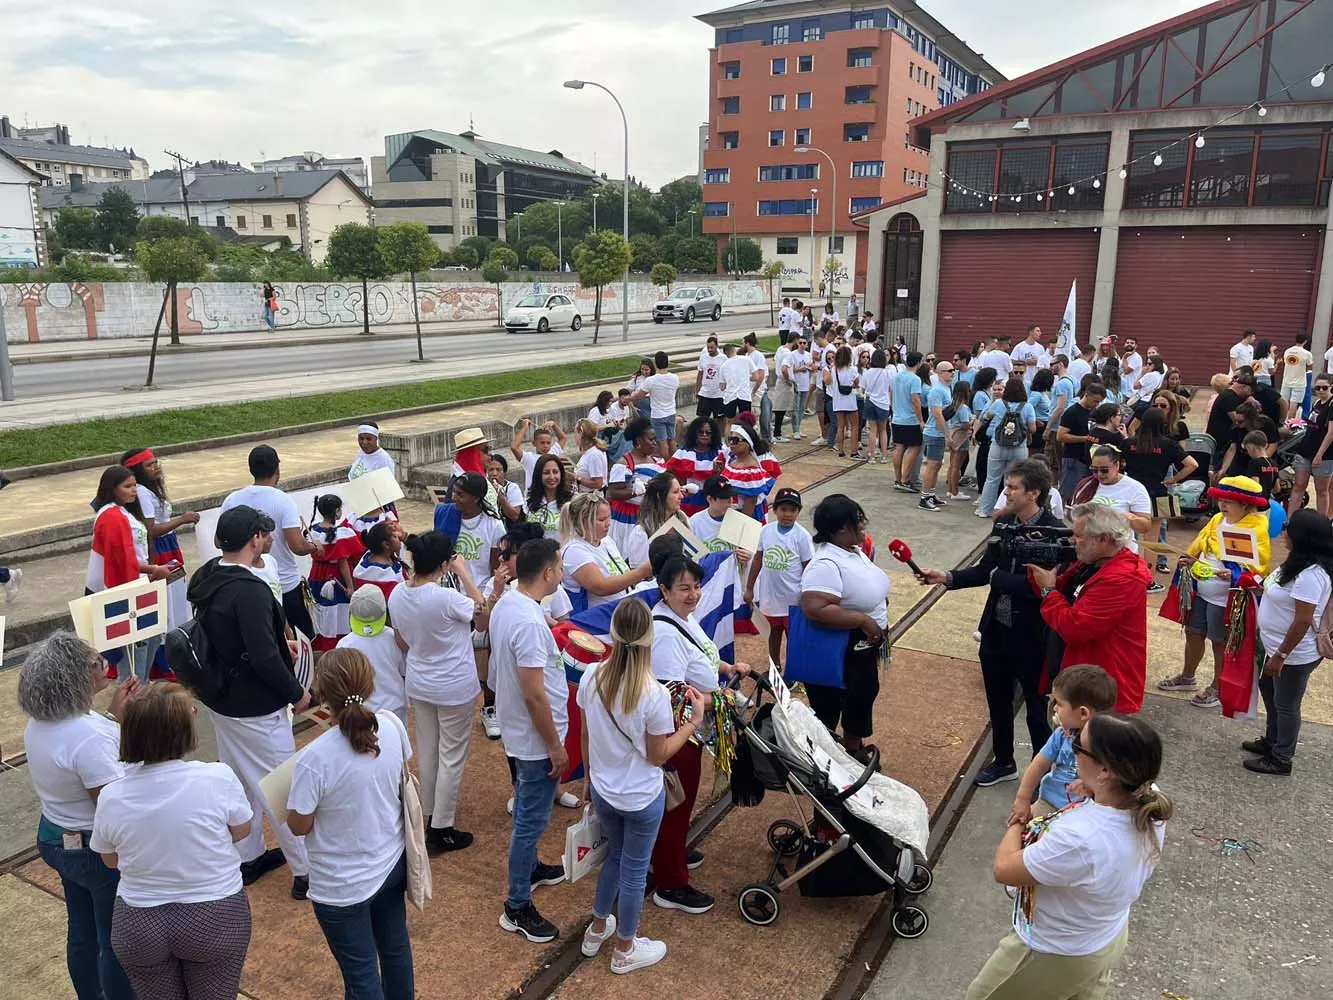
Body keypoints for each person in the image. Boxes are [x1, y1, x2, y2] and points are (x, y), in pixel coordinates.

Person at [966, 713, 1171, 1000]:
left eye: (1077, 745)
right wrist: (1093, 790)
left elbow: (1004, 868)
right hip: (1104, 936)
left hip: (1055, 951)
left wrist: (1018, 821)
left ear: (1105, 771)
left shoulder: (1080, 838)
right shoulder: (1148, 798)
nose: (1071, 747)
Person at [90, 683, 253, 1000]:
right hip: (214, 914)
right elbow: (242, 830)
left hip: (139, 921)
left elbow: (110, 860)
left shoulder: (112, 795)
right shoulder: (217, 777)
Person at [186, 505, 313, 897]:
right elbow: (261, 657)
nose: (267, 540)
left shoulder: (207, 577)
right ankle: (306, 872)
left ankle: (250, 856)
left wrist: (278, 643)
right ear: (253, 539)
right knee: (282, 787)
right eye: (263, 534)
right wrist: (298, 693)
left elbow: (240, 639)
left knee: (241, 780)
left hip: (222, 699)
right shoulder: (251, 589)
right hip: (257, 706)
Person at [577, 599, 703, 974]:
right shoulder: (654, 694)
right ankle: (625, 948)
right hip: (641, 797)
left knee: (615, 860)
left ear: (613, 634)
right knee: (633, 870)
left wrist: (588, 779)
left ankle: (598, 927)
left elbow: (585, 734)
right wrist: (692, 724)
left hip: (603, 788)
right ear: (649, 637)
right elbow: (658, 755)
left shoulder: (591, 676)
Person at [919, 460, 1062, 786]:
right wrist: (947, 577)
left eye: (1012, 487)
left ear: (1034, 493)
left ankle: (1044, 775)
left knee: (1038, 711)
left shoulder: (1056, 533)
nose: (1005, 492)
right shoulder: (1005, 523)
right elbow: (987, 571)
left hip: (1034, 635)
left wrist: (1005, 579)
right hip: (996, 629)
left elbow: (1046, 587)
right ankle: (1004, 761)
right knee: (997, 702)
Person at [287, 649, 415, 1000]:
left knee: (361, 977)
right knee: (395, 951)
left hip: (341, 885)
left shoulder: (315, 758)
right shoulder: (391, 725)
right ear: (369, 683)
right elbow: (400, 773)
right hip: (390, 862)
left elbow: (298, 826)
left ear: (323, 694)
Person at [20, 632, 136, 1000]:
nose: (104, 663)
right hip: (93, 849)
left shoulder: (41, 722)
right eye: (95, 661)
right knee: (115, 938)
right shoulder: (88, 736)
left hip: (56, 835)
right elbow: (112, 807)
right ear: (74, 676)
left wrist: (112, 717)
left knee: (82, 931)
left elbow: (76, 749)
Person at [650, 554, 752, 915]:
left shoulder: (683, 618)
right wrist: (719, 698)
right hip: (678, 732)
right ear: (664, 590)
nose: (693, 595)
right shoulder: (663, 633)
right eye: (683, 588)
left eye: (695, 587)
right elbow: (674, 697)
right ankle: (670, 883)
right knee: (675, 805)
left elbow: (703, 656)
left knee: (682, 802)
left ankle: (671, 853)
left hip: (693, 728)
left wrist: (728, 667)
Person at [490, 538, 571, 942]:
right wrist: (555, 745)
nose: (562, 572)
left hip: (523, 733)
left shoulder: (510, 604)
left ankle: (532, 869)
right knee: (530, 820)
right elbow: (534, 693)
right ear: (547, 573)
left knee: (528, 811)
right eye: (559, 566)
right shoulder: (525, 619)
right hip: (535, 740)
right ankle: (517, 905)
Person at [388, 531, 484, 852]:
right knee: (451, 756)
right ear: (444, 563)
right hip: (453, 683)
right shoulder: (446, 598)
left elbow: (402, 639)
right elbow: (481, 609)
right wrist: (464, 573)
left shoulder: (398, 594)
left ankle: (430, 813)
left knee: (428, 751)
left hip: (420, 680)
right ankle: (441, 825)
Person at [1157, 476, 1272, 708]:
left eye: (1229, 501)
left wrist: (1235, 575)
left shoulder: (1257, 528)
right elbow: (1200, 544)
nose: (1222, 505)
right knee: (1193, 632)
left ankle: (1218, 687)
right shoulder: (1218, 519)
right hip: (1201, 589)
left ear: (1246, 505)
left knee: (1219, 642)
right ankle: (1187, 677)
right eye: (1221, 500)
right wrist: (1188, 559)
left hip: (1225, 597)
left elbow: (1260, 567)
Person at [1030, 504, 1152, 714]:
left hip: (1101, 693)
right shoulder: (1095, 563)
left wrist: (1048, 592)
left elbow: (1075, 627)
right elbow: (1064, 590)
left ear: (1103, 539)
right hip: (1083, 679)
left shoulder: (1121, 579)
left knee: (1086, 746)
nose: (1072, 540)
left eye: (1078, 536)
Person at [798, 495, 889, 762]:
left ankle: (853, 748)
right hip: (840, 647)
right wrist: (861, 620)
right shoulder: (825, 563)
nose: (864, 526)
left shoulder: (853, 551)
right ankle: (832, 763)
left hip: (861, 645)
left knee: (862, 694)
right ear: (841, 529)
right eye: (858, 522)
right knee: (834, 705)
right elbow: (815, 608)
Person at [1245, 508, 1333, 775]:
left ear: (1301, 536)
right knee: (1269, 690)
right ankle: (1272, 740)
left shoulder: (1310, 575)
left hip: (1293, 655)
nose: (1283, 531)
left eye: (1288, 527)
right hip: (1275, 647)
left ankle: (1282, 758)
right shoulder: (1296, 562)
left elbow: (1302, 621)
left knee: (1286, 705)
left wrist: (1281, 655)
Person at [221, 444, 325, 640]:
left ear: (251, 469)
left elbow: (220, 542)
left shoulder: (232, 500)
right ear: (277, 469)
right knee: (299, 643)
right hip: (284, 585)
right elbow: (297, 545)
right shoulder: (283, 501)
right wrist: (315, 547)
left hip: (244, 583)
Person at [86, 465, 172, 683]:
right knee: (135, 650)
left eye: (134, 485)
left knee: (150, 640)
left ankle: (139, 689)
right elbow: (121, 562)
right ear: (113, 489)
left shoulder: (122, 511)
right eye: (127, 486)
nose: (134, 490)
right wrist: (153, 570)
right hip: (127, 589)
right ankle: (132, 698)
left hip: (139, 583)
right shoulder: (112, 517)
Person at [1008, 665, 1118, 823]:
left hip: (1087, 813)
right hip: (1050, 803)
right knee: (1033, 835)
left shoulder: (1111, 745)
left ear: (1083, 713)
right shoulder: (1061, 735)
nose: (1054, 708)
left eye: (1059, 704)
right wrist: (1023, 799)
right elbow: (1039, 765)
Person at [122, 448, 199, 648]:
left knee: (176, 594)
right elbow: (151, 530)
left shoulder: (153, 489)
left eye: (156, 462)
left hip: (169, 544)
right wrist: (181, 520)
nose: (155, 467)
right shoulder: (142, 492)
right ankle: (168, 651)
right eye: (149, 465)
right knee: (167, 600)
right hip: (159, 549)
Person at [744, 487, 813, 667]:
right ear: (775, 510)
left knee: (793, 636)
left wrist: (808, 596)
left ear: (798, 511)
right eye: (783, 510)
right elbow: (758, 559)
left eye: (792, 510)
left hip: (793, 598)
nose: (787, 514)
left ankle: (794, 668)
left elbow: (809, 568)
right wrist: (750, 588)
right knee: (773, 633)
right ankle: (775, 665)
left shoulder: (802, 536)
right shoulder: (766, 531)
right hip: (771, 597)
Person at [1125, 409, 1198, 576]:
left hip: (1132, 492)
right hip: (1157, 491)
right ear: (1163, 424)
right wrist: (1174, 479)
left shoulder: (1129, 443)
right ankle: (1148, 577)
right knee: (1152, 539)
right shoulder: (1168, 444)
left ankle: (1131, 571)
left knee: (1131, 536)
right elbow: (1192, 464)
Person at [561, 493, 654, 611]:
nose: (608, 523)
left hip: (619, 611)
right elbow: (601, 587)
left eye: (609, 517)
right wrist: (642, 571)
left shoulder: (607, 541)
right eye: (602, 519)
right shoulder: (574, 550)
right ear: (583, 521)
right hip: (597, 620)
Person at [338, 584, 408, 724]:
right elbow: (404, 670)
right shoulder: (395, 638)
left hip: (362, 712)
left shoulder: (344, 645)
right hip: (395, 709)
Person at [306, 493, 362, 652]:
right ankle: (339, 648)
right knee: (338, 615)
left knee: (321, 613)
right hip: (336, 577)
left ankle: (323, 646)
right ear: (337, 511)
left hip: (317, 575)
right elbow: (343, 563)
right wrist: (350, 587)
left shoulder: (312, 531)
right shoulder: (342, 534)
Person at [976, 378, 1037, 518]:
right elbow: (1032, 428)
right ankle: (1007, 510)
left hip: (998, 445)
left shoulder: (998, 404)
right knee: (1012, 481)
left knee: (992, 478)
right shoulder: (1027, 407)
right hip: (1019, 447)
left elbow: (986, 417)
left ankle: (984, 509)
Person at [606, 418, 664, 555]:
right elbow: (613, 493)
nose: (655, 443)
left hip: (653, 515)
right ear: (639, 441)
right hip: (630, 519)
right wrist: (638, 490)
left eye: (655, 439)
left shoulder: (657, 460)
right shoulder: (624, 464)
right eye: (651, 439)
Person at [623, 471, 691, 568]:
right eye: (675, 492)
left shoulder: (683, 519)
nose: (681, 496)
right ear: (660, 496)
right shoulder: (641, 532)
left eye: (680, 491)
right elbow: (637, 573)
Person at [1289, 374, 1333, 516]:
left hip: (1324, 454)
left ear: (1331, 387)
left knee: (1321, 490)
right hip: (1306, 449)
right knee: (1298, 486)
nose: (1320, 390)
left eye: (1324, 388)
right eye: (1317, 388)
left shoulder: (1331, 405)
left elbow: (1331, 433)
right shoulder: (1317, 403)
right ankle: (1291, 520)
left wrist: (1319, 455)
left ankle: (1322, 521)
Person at [451, 470, 505, 584]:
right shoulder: (447, 516)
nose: (454, 498)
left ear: (476, 498)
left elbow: (496, 568)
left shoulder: (494, 525)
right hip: (451, 593)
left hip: (481, 592)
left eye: (460, 495)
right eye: (454, 492)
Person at [666, 416, 724, 517]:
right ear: (695, 433)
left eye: (708, 432)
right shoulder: (683, 452)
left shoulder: (721, 452)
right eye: (701, 432)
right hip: (689, 500)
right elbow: (669, 473)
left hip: (712, 499)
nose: (704, 435)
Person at [919, 360, 957, 511]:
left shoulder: (946, 389)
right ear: (941, 373)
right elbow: (937, 414)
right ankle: (924, 497)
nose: (952, 373)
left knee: (937, 464)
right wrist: (947, 434)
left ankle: (931, 493)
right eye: (949, 370)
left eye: (953, 370)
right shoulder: (937, 391)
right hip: (935, 433)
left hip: (939, 432)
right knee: (932, 465)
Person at [627, 350, 680, 458]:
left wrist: (629, 398)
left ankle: (667, 466)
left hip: (658, 415)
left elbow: (640, 395)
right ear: (667, 363)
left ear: (655, 364)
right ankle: (675, 464)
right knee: (672, 441)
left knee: (662, 442)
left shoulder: (651, 380)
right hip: (671, 412)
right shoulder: (675, 377)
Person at [723, 422, 779, 520]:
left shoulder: (751, 471)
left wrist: (741, 525)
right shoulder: (732, 460)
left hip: (744, 516)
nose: (731, 444)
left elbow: (750, 502)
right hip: (730, 513)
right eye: (730, 440)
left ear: (748, 444)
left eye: (736, 440)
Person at [890, 350, 925, 490]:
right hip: (910, 419)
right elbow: (916, 400)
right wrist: (921, 420)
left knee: (899, 447)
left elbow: (891, 393)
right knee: (915, 447)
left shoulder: (898, 376)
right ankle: (905, 479)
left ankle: (898, 479)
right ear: (918, 363)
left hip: (897, 417)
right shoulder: (915, 379)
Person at [353, 521, 407, 601]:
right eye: (395, 536)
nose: (399, 539)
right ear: (386, 544)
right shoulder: (387, 577)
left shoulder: (366, 559)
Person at [525, 453, 573, 541]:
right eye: (546, 473)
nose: (552, 477)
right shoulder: (529, 499)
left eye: (555, 472)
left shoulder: (572, 502)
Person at [511, 418, 568, 493]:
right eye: (542, 443)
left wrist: (554, 425)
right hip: (534, 498)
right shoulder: (528, 458)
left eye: (548, 443)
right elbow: (514, 447)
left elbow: (563, 438)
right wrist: (525, 427)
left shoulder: (553, 453)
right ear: (534, 443)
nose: (546, 446)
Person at [859, 348, 892, 463]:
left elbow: (862, 389)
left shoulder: (867, 373)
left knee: (872, 430)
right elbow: (889, 389)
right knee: (883, 430)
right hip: (883, 403)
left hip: (870, 401)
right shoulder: (887, 373)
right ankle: (884, 455)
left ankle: (871, 455)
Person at [945, 379, 976, 502]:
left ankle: (950, 489)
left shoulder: (953, 405)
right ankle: (955, 491)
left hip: (953, 436)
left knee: (952, 465)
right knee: (957, 466)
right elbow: (965, 425)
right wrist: (973, 420)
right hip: (961, 438)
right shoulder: (963, 408)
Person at [719, 342, 754, 435]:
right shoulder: (747, 360)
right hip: (744, 394)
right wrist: (746, 377)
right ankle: (746, 439)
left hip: (730, 396)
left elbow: (722, 386)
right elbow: (756, 376)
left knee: (729, 422)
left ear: (726, 354)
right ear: (735, 350)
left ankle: (728, 442)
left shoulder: (724, 366)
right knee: (746, 421)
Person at [1279, 333, 1313, 415]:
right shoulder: (1307, 354)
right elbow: (1310, 367)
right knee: (1294, 403)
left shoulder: (1287, 351)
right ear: (1305, 341)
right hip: (1299, 382)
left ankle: (1283, 421)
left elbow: (1285, 363)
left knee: (1285, 401)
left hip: (1286, 380)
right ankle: (1291, 423)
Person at [573, 418, 609, 494]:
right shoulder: (589, 452)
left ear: (581, 434)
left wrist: (576, 478)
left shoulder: (594, 455)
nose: (574, 436)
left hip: (593, 499)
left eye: (575, 433)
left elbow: (598, 483)